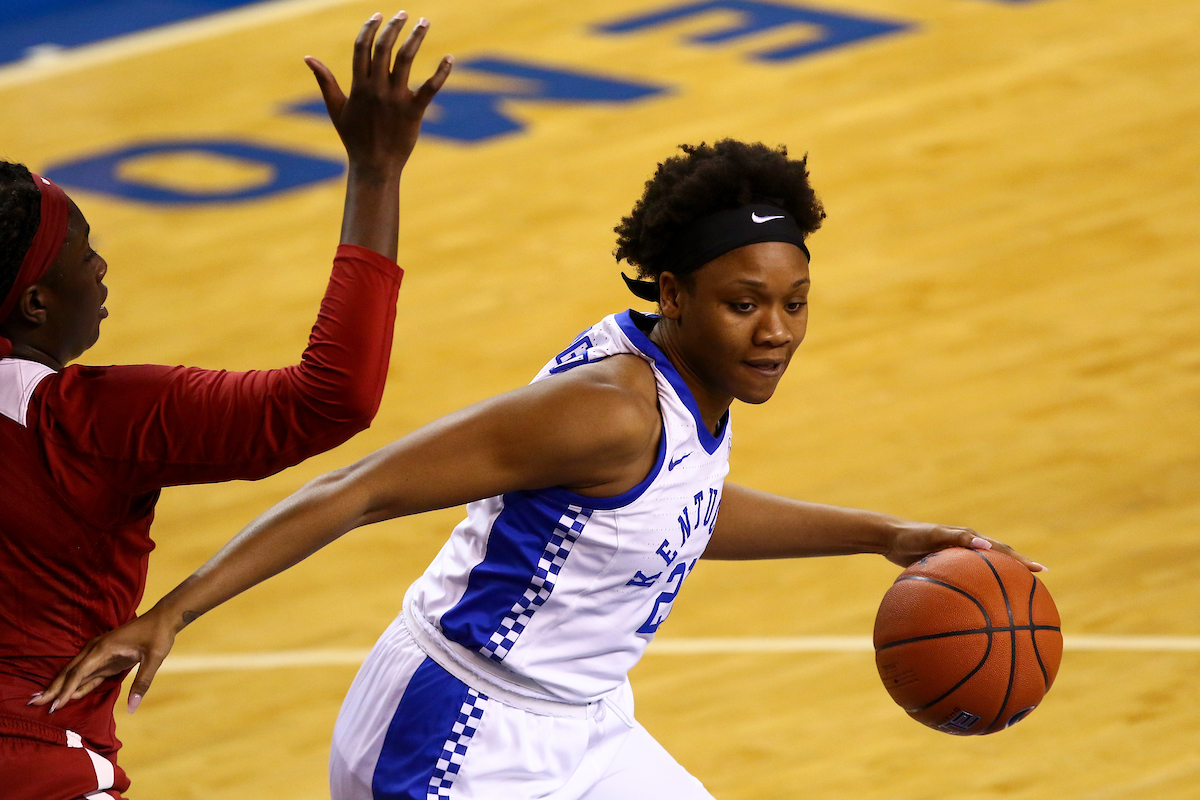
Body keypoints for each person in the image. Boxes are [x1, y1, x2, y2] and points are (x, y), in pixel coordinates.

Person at [37, 139, 1046, 799]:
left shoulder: (686, 386)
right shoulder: (603, 411)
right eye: (747, 302)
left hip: (585, 724)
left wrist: (884, 534)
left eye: (796, 301)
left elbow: (685, 510)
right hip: (456, 734)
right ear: (674, 290)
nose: (776, 330)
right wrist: (176, 608)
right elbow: (361, 485)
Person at [2, 12, 452, 800]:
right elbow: (328, 397)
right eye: (83, 254)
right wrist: (376, 173)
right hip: (39, 757)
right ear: (35, 303)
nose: (102, 264)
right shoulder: (82, 423)